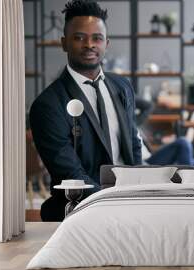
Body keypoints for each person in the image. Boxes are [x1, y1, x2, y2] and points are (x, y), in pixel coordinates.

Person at [29, 0, 142, 221]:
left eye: (97, 38)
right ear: (64, 43)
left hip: (130, 205)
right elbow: (72, 175)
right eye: (79, 37)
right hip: (81, 212)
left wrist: (141, 193)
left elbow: (133, 144)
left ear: (106, 43)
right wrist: (116, 204)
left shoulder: (123, 87)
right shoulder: (48, 105)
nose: (89, 44)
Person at [135, 97, 194, 166]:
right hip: (146, 162)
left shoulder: (134, 123)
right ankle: (186, 177)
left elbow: (149, 106)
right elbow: (148, 106)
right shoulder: (129, 124)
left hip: (151, 156)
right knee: (183, 143)